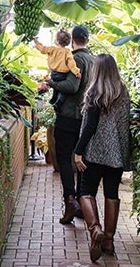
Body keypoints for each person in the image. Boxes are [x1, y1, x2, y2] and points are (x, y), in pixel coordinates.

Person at [73, 53, 131, 262]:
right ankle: (108, 240)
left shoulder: (94, 93)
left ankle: (95, 228)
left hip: (95, 153)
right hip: (116, 154)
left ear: (96, 70)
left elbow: (89, 127)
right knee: (111, 193)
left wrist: (78, 151)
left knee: (85, 191)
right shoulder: (122, 91)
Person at [48, 25, 94, 224]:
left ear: (73, 40)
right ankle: (82, 205)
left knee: (65, 159)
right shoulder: (94, 60)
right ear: (87, 40)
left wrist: (52, 83)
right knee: (82, 160)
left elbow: (71, 86)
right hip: (86, 117)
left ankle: (70, 201)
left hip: (69, 116)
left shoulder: (74, 59)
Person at [33, 30, 81, 113]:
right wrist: (76, 72)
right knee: (62, 90)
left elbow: (43, 49)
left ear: (57, 41)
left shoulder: (52, 49)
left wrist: (37, 42)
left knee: (55, 87)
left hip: (53, 73)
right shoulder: (67, 52)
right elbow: (71, 63)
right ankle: (58, 103)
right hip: (62, 74)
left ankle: (53, 99)